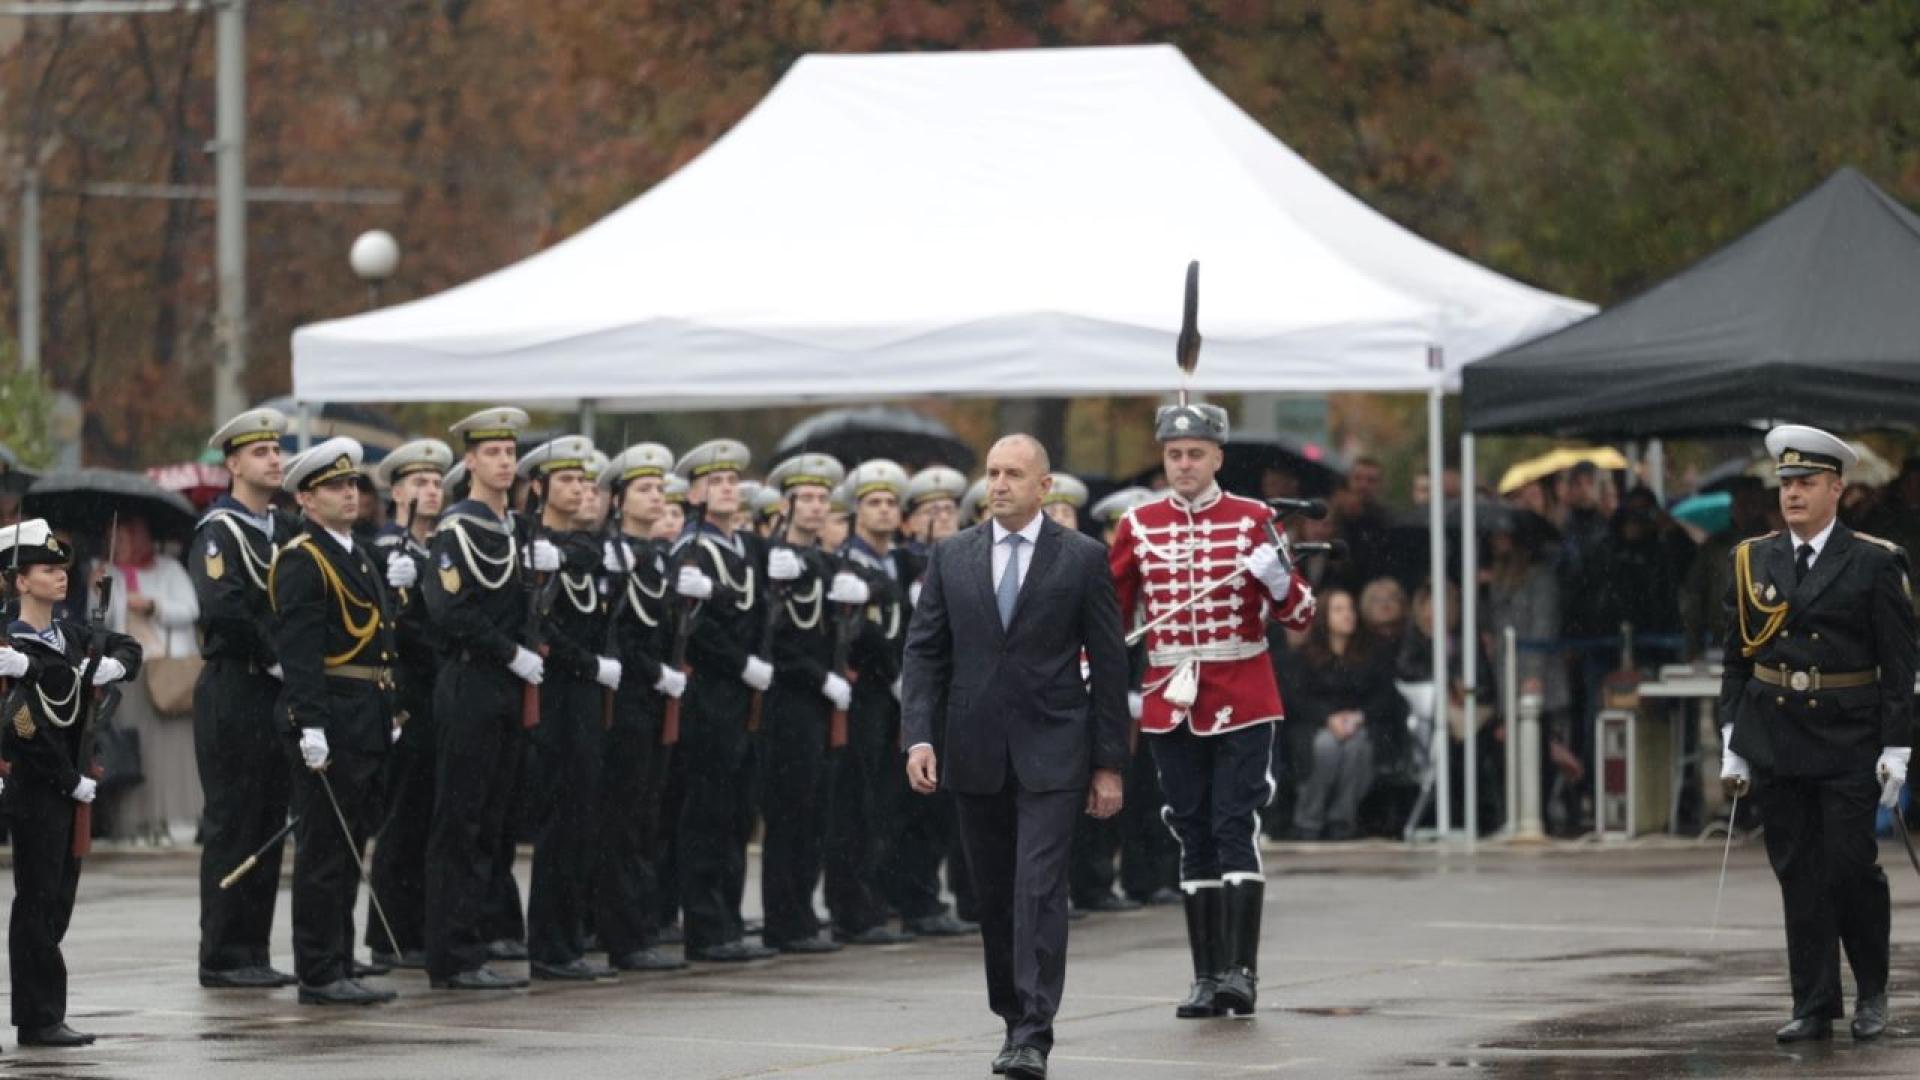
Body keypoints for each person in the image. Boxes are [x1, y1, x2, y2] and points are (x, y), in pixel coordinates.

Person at [902, 433, 1129, 1080]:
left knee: (1039, 889)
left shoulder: (1082, 558)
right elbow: (924, 653)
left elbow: (1110, 664)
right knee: (994, 895)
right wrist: (918, 737)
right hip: (973, 750)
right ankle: (1011, 1017)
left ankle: (1034, 1029)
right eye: (992, 472)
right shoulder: (952, 556)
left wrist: (1108, 762)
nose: (997, 484)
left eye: (1012, 474)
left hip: (1055, 750)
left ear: (1043, 486)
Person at [1107, 404, 1316, 1021]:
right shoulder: (1138, 524)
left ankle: (1241, 973)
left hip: (1243, 691)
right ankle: (1204, 977)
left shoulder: (1255, 519)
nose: (1185, 465)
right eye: (1175, 454)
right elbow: (1112, 613)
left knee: (1234, 824)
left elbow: (1301, 615)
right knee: (1189, 826)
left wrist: (1278, 579)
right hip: (1169, 693)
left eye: (1196, 454)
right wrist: (1092, 669)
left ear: (1218, 457)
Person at [1719, 425, 1915, 1044]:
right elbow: (1736, 657)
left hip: (1849, 737)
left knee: (1850, 868)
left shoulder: (1874, 561)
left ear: (1838, 488)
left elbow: (1900, 665)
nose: (1794, 495)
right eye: (1787, 484)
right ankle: (1813, 1001)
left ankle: (1872, 991)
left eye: (1807, 483)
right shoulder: (1756, 559)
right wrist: (1733, 738)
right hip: (1777, 735)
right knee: (1798, 872)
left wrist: (1897, 748)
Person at [266, 438, 400, 1006]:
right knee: (324, 851)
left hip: (366, 713)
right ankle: (318, 970)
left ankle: (340, 957)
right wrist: (310, 726)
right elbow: (299, 652)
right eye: (336, 487)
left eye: (353, 486)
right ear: (306, 497)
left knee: (351, 847)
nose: (350, 495)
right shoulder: (303, 557)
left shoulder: (357, 551)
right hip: (331, 716)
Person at [2, 519, 142, 1047]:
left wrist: (113, 667)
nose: (61, 577)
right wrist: (67, 779)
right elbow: (22, 725)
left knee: (59, 899)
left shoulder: (75, 635)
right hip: (38, 786)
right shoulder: (9, 644)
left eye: (63, 568)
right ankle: (38, 1018)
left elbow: (129, 649)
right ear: (20, 581)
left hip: (72, 782)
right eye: (46, 569)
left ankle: (42, 1009)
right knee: (36, 900)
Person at [423, 407, 540, 992]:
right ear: (469, 460)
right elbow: (449, 612)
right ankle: (452, 954)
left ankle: (477, 938)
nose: (504, 462)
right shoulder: (457, 530)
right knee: (460, 821)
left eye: (509, 452)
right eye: (492, 452)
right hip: (470, 680)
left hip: (504, 686)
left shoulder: (514, 530)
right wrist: (508, 651)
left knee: (492, 821)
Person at [190, 407, 299, 989]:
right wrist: (273, 651)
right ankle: (222, 953)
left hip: (275, 688)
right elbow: (224, 608)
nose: (275, 459)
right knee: (233, 821)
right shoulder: (219, 531)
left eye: (277, 450)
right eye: (260, 452)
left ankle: (253, 949)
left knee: (267, 818)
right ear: (232, 464)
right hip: (235, 685)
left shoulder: (282, 531)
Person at [516, 436, 623, 982]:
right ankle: (549, 945)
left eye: (585, 482)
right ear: (538, 488)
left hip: (581, 697)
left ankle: (567, 936)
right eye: (566, 481)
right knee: (557, 819)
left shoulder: (578, 549)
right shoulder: (529, 545)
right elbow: (541, 630)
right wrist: (586, 664)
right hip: (550, 693)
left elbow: (591, 558)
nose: (580, 490)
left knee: (581, 815)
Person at [670, 440, 778, 962]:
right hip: (709, 693)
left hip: (742, 698)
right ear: (693, 492)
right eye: (716, 482)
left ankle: (729, 919)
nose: (729, 489)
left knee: (737, 813)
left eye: (734, 481)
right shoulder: (692, 548)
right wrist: (741, 664)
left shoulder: (743, 547)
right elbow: (699, 630)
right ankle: (706, 925)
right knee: (707, 813)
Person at [595, 443, 694, 972]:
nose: (657, 497)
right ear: (619, 499)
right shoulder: (613, 555)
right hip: (624, 701)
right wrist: (655, 672)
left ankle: (642, 923)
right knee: (623, 821)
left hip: (654, 703)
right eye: (645, 489)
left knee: (646, 817)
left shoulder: (657, 558)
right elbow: (619, 635)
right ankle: (623, 935)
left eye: (660, 488)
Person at [755, 452, 855, 954]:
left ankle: (801, 911)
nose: (816, 507)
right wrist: (821, 679)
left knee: (815, 811)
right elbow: (780, 645)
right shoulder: (776, 561)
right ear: (787, 504)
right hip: (789, 701)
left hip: (820, 703)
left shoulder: (826, 562)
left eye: (822, 498)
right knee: (790, 811)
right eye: (806, 498)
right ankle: (782, 918)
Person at [366, 438, 452, 970]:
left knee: (434, 816)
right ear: (397, 491)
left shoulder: (439, 552)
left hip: (442, 693)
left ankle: (423, 924)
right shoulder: (383, 553)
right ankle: (390, 935)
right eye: (420, 483)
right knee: (403, 817)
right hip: (407, 695)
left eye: (438, 483)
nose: (431, 491)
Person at [1077, 487, 1179, 909]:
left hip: (1152, 698)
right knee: (1100, 795)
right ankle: (1093, 882)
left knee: (1152, 793)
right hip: (1105, 701)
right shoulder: (1098, 575)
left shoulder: (1157, 580)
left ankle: (1151, 875)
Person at [1282, 589, 1402, 840]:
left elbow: (1385, 696)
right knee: (1326, 746)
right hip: (1314, 726)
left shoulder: (1371, 654)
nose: (1347, 615)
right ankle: (1309, 820)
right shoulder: (1305, 656)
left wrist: (1358, 717)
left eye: (1350, 608)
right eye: (1339, 610)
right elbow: (1296, 699)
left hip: (1359, 724)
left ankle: (1342, 819)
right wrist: (1328, 718)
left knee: (1357, 747)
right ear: (1324, 616)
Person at [904, 465, 966, 554]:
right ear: (913, 523)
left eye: (949, 510)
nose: (944, 517)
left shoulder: (971, 556)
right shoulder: (903, 562)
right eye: (933, 511)